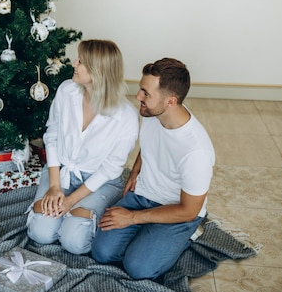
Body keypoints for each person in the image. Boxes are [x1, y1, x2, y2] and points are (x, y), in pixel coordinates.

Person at [91, 58, 215, 280]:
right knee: (102, 252)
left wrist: (131, 218)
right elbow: (149, 144)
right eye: (141, 89)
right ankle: (146, 237)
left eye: (145, 93)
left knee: (138, 268)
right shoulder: (151, 113)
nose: (138, 97)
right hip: (142, 195)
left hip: (177, 210)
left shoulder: (196, 152)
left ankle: (186, 235)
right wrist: (136, 171)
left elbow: (189, 210)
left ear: (170, 101)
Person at [27, 39, 139, 255]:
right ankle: (68, 215)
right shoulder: (66, 91)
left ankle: (81, 217)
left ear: (98, 71)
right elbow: (52, 136)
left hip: (100, 181)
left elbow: (110, 169)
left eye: (81, 61)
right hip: (62, 173)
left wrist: (70, 202)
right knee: (41, 233)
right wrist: (54, 186)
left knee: (74, 242)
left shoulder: (126, 116)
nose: (74, 64)